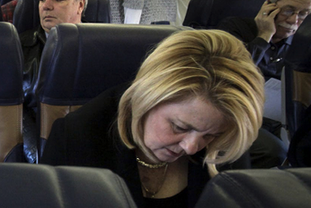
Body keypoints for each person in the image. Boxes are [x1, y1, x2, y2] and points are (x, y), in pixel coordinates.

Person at [40, 30, 265, 208]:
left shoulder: (226, 144)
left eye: (210, 135)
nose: (191, 148)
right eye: (179, 127)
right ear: (145, 99)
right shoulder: (77, 139)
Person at [218, 0, 311, 167]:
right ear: (269, 7)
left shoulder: (301, 43)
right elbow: (231, 73)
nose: (294, 21)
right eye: (288, 11)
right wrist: (264, 35)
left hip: (279, 118)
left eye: (303, 14)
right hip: (236, 111)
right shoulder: (234, 27)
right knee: (275, 151)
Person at [20, 0, 87, 163]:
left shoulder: (105, 48)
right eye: (42, 0)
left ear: (80, 5)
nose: (46, 6)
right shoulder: (17, 47)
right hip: (33, 149)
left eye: (58, 0)